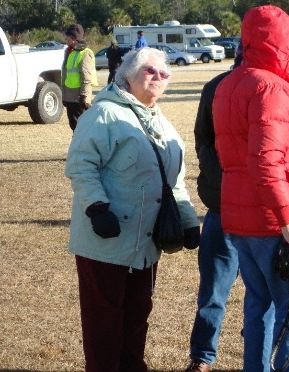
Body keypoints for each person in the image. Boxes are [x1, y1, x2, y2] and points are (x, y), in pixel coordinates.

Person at [185, 27, 289, 372]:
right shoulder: (271, 88)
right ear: (280, 47)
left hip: (242, 214)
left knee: (258, 306)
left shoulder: (230, 84)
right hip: (268, 218)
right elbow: (266, 161)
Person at [65, 47, 201, 371]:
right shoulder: (104, 114)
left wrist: (188, 220)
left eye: (163, 73)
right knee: (104, 320)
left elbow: (175, 181)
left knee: (138, 313)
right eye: (149, 70)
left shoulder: (161, 122)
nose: (157, 77)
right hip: (106, 242)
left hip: (145, 243)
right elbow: (81, 164)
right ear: (127, 74)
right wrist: (97, 208)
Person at [62, 23, 96, 131]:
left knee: (81, 128)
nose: (65, 39)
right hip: (70, 97)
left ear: (73, 38)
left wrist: (84, 96)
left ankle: (83, 147)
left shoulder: (85, 53)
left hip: (79, 98)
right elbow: (66, 75)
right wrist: (64, 96)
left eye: (67, 36)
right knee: (74, 126)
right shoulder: (69, 52)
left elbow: (86, 76)